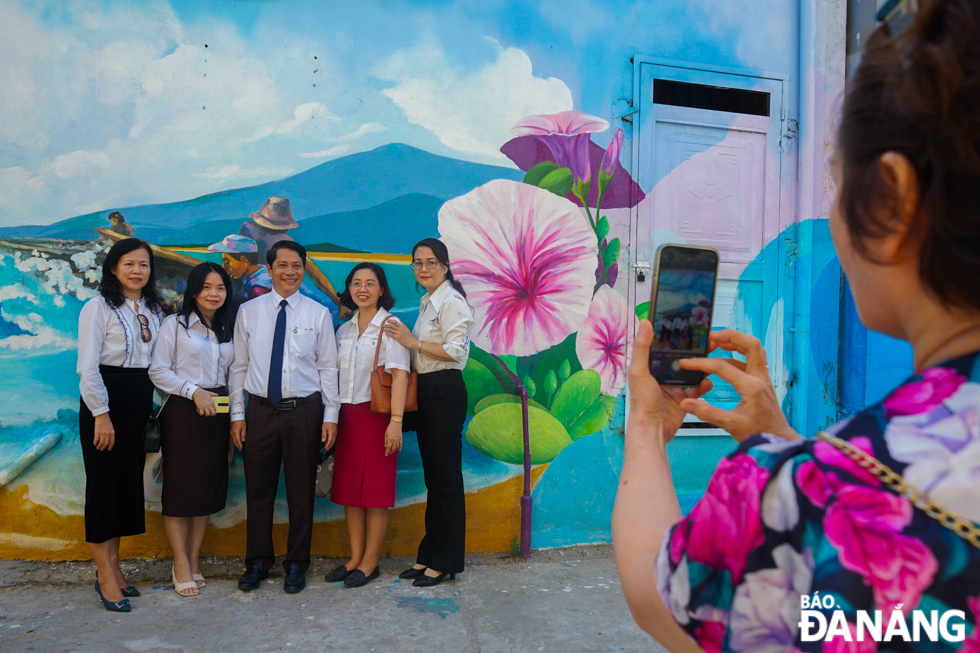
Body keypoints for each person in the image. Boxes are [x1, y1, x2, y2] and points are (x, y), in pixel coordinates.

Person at [613, 1, 980, 650]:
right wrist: (789, 438)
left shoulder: (800, 501)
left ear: (892, 201)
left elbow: (658, 594)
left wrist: (645, 424)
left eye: (838, 178)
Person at [228, 240, 341, 594]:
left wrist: (331, 416)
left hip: (304, 412)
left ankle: (296, 563)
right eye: (283, 265)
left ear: (303, 270)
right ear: (270, 268)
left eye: (297, 265)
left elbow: (327, 367)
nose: (290, 272)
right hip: (259, 411)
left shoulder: (317, 313)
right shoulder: (249, 312)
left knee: (300, 492)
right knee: (258, 491)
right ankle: (258, 562)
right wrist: (237, 414)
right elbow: (239, 366)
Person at [76, 238, 162, 613]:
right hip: (106, 405)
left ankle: (114, 568)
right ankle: (105, 575)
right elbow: (88, 367)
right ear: (114, 268)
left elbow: (158, 366)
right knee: (103, 489)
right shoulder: (97, 307)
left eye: (143, 264)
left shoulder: (154, 309)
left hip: (138, 404)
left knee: (124, 489)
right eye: (129, 264)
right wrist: (101, 414)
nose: (137, 271)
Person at [384, 237, 473, 587]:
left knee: (447, 479)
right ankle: (429, 556)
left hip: (446, 390)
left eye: (431, 262)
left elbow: (456, 353)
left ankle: (446, 561)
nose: (423, 268)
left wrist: (412, 343)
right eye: (418, 263)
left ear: (445, 266)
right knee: (434, 479)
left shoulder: (452, 302)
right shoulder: (428, 302)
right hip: (429, 391)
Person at [148, 262, 236, 598]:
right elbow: (158, 371)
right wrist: (194, 392)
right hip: (184, 410)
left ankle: (195, 557)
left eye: (221, 288)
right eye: (207, 287)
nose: (214, 294)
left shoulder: (230, 327)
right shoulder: (175, 325)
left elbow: (236, 372)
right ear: (194, 291)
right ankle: (179, 560)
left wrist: (235, 413)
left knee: (208, 488)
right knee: (181, 488)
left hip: (220, 410)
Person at [324, 263, 410, 589]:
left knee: (374, 493)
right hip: (347, 416)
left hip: (377, 418)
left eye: (370, 283)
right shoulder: (343, 330)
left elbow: (400, 374)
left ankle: (370, 561)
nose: (363, 289)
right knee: (350, 491)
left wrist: (395, 423)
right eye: (356, 283)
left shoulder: (390, 325)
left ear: (380, 289)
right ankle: (355, 558)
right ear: (349, 289)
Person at [208, 234, 268, 304]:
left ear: (244, 259)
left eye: (227, 262)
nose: (224, 267)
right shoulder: (263, 270)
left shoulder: (258, 290)